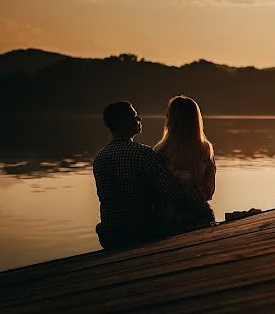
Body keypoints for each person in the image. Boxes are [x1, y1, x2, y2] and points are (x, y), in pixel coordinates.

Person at [92, 101, 214, 249]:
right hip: (139, 232)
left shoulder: (100, 157)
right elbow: (171, 190)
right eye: (134, 117)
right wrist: (204, 208)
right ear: (123, 123)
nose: (139, 119)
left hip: (110, 233)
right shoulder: (142, 154)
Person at [153, 95, 217, 234]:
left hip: (166, 221)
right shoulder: (206, 149)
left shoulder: (159, 151)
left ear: (170, 120)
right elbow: (209, 192)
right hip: (198, 216)